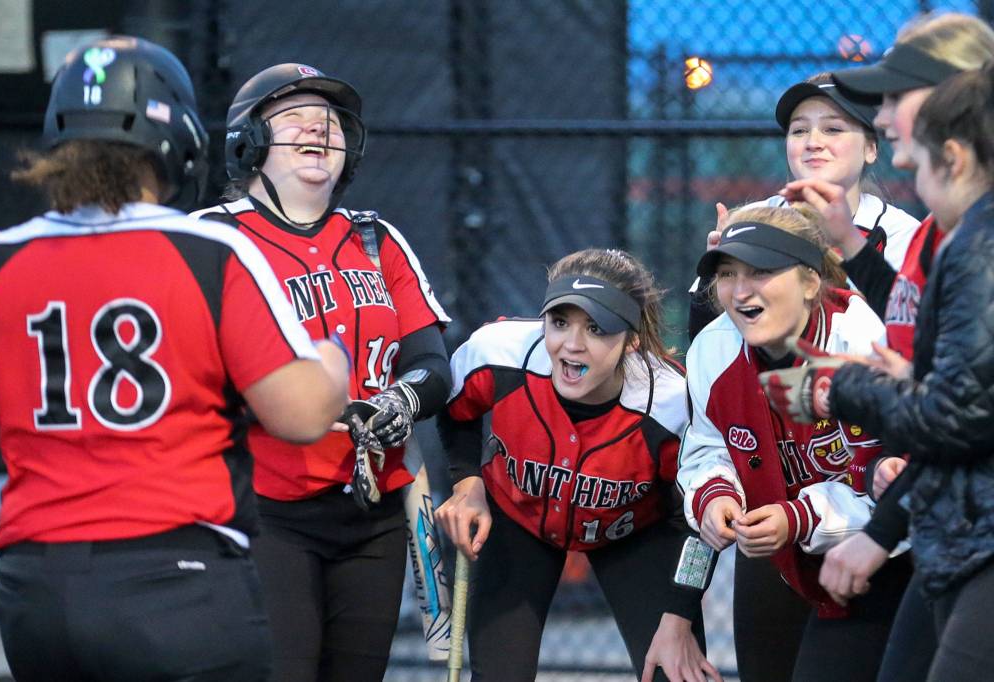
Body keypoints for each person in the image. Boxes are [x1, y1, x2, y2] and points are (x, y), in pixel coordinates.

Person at [0, 37, 350, 682]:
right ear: (174, 136)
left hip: (35, 589)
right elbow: (300, 416)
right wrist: (331, 359)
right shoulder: (207, 249)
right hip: (177, 580)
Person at [192, 63, 451, 682]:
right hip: (265, 509)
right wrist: (283, 404)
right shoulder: (212, 239)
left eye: (330, 124)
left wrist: (400, 402)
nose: (318, 131)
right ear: (249, 143)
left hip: (376, 510)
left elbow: (430, 364)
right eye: (294, 120)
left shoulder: (375, 239)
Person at [775, 13, 994, 682]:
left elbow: (957, 410)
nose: (887, 118)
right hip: (951, 523)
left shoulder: (973, 235)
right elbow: (940, 365)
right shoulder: (947, 229)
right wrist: (850, 245)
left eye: (898, 96)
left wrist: (837, 386)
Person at [436, 248, 721, 682]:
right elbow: (456, 412)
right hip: (518, 518)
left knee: (674, 673)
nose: (572, 343)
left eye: (596, 328)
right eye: (560, 321)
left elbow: (701, 524)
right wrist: (467, 482)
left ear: (631, 340)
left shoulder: (670, 405)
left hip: (634, 532)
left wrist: (680, 615)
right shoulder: (498, 353)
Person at [677, 204, 912, 682]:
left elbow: (899, 483)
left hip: (889, 564)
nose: (740, 290)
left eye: (761, 271)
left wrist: (800, 514)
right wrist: (715, 494)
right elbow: (708, 446)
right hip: (781, 557)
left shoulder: (866, 343)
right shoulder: (714, 348)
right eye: (727, 273)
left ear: (810, 282)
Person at [688, 72, 919, 339]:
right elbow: (706, 340)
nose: (813, 143)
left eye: (833, 129)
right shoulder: (750, 223)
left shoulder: (903, 235)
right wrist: (716, 278)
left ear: (870, 148)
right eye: (799, 131)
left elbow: (913, 335)